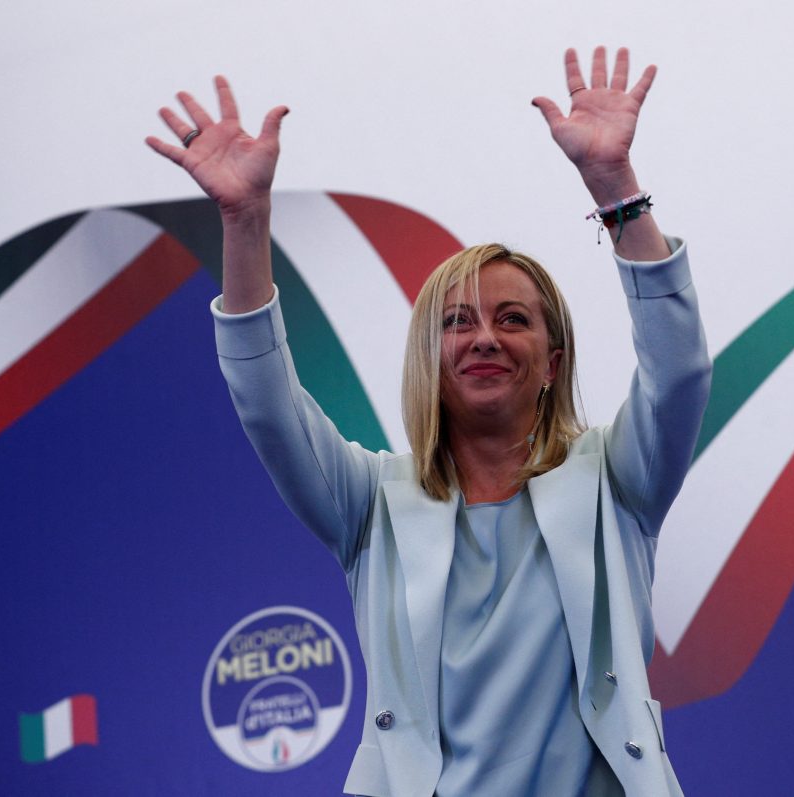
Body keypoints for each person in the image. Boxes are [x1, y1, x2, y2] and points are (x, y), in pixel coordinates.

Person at [147, 47, 710, 796]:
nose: (484, 337)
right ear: (428, 357)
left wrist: (616, 187)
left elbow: (677, 372)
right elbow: (269, 407)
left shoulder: (617, 480)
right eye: (457, 322)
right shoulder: (369, 502)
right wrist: (245, 222)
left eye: (513, 319)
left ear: (551, 361)